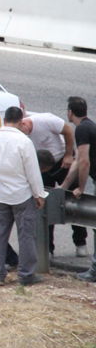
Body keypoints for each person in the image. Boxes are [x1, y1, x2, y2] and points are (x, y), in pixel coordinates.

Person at [0, 106, 49, 287]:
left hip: (0, 193)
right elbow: (32, 171)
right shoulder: (24, 142)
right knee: (26, 235)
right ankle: (26, 274)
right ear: (20, 122)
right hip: (22, 194)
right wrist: (38, 194)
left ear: (4, 119)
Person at [21, 110, 84, 256]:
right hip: (42, 166)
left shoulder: (45, 120)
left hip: (61, 162)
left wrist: (68, 155)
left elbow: (68, 131)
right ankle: (48, 247)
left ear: (24, 123)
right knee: (45, 204)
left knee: (72, 199)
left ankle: (80, 242)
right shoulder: (21, 135)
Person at [61, 96, 96, 282]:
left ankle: (94, 271)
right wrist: (65, 186)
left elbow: (84, 161)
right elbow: (77, 162)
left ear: (70, 112)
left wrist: (81, 188)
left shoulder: (82, 129)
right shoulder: (89, 126)